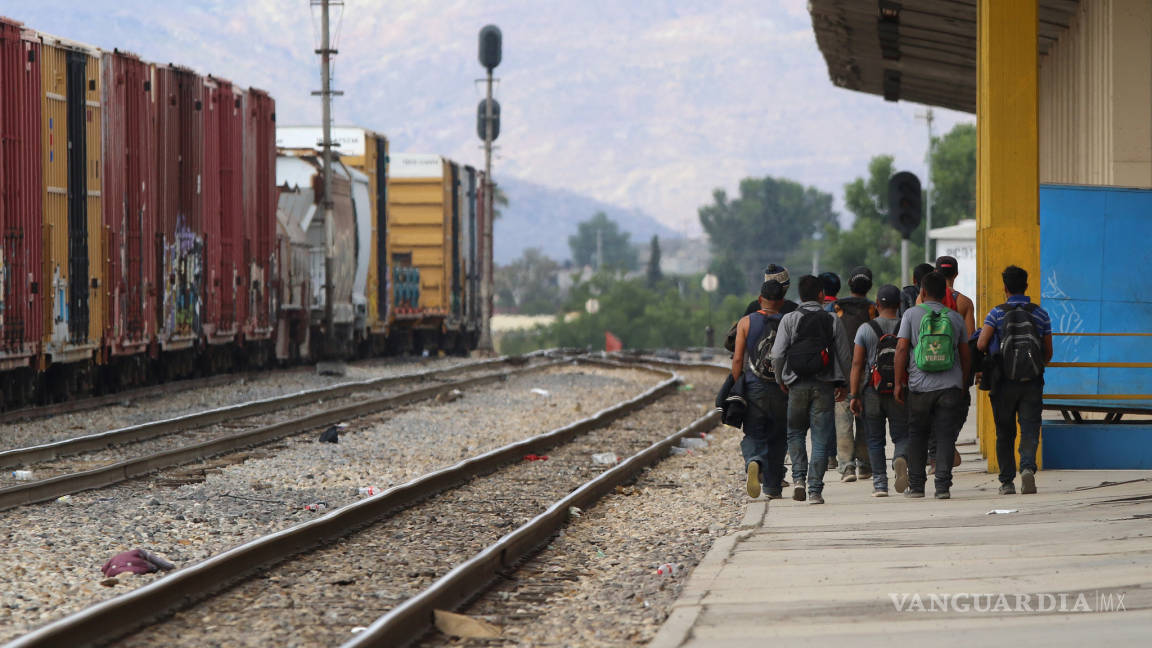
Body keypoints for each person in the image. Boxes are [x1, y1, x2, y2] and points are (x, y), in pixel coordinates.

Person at [771, 275, 852, 505]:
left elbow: (777, 354)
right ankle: (815, 490)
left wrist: (781, 379)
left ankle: (798, 481)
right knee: (820, 437)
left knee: (795, 432)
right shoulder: (832, 319)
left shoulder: (789, 319)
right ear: (820, 295)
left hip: (796, 384)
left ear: (800, 295)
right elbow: (844, 355)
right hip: (824, 385)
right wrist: (843, 383)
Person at [976, 265, 1052, 495]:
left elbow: (981, 344)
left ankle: (1006, 482)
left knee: (1004, 431)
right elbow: (1048, 351)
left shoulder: (996, 313)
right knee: (1029, 428)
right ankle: (1027, 469)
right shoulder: (1040, 314)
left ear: (1005, 288)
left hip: (1003, 382)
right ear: (1026, 286)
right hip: (1032, 381)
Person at [894, 271, 971, 499]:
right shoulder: (955, 317)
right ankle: (943, 487)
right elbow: (966, 355)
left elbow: (900, 350)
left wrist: (899, 382)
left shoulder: (911, 315)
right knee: (946, 435)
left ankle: (917, 486)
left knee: (917, 433)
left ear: (923, 292)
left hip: (919, 387)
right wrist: (963, 383)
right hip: (950, 386)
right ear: (945, 293)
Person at [731, 280, 790, 499]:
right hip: (781, 388)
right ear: (782, 302)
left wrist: (735, 384)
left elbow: (738, 359)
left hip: (753, 386)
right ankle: (773, 487)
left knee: (754, 432)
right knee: (778, 436)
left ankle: (754, 461)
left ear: (759, 300)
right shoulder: (788, 321)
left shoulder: (745, 322)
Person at [849, 285, 909, 496]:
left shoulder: (866, 329)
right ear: (899, 304)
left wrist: (854, 395)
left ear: (876, 305)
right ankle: (900, 457)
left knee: (874, 439)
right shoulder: (905, 326)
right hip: (899, 389)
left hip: (871, 391)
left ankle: (880, 484)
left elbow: (857, 364)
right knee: (901, 435)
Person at [832, 266, 878, 482]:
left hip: (842, 372)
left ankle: (847, 467)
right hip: (867, 373)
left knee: (843, 421)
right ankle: (865, 465)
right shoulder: (873, 309)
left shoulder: (837, 308)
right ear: (869, 286)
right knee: (865, 419)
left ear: (849, 285)